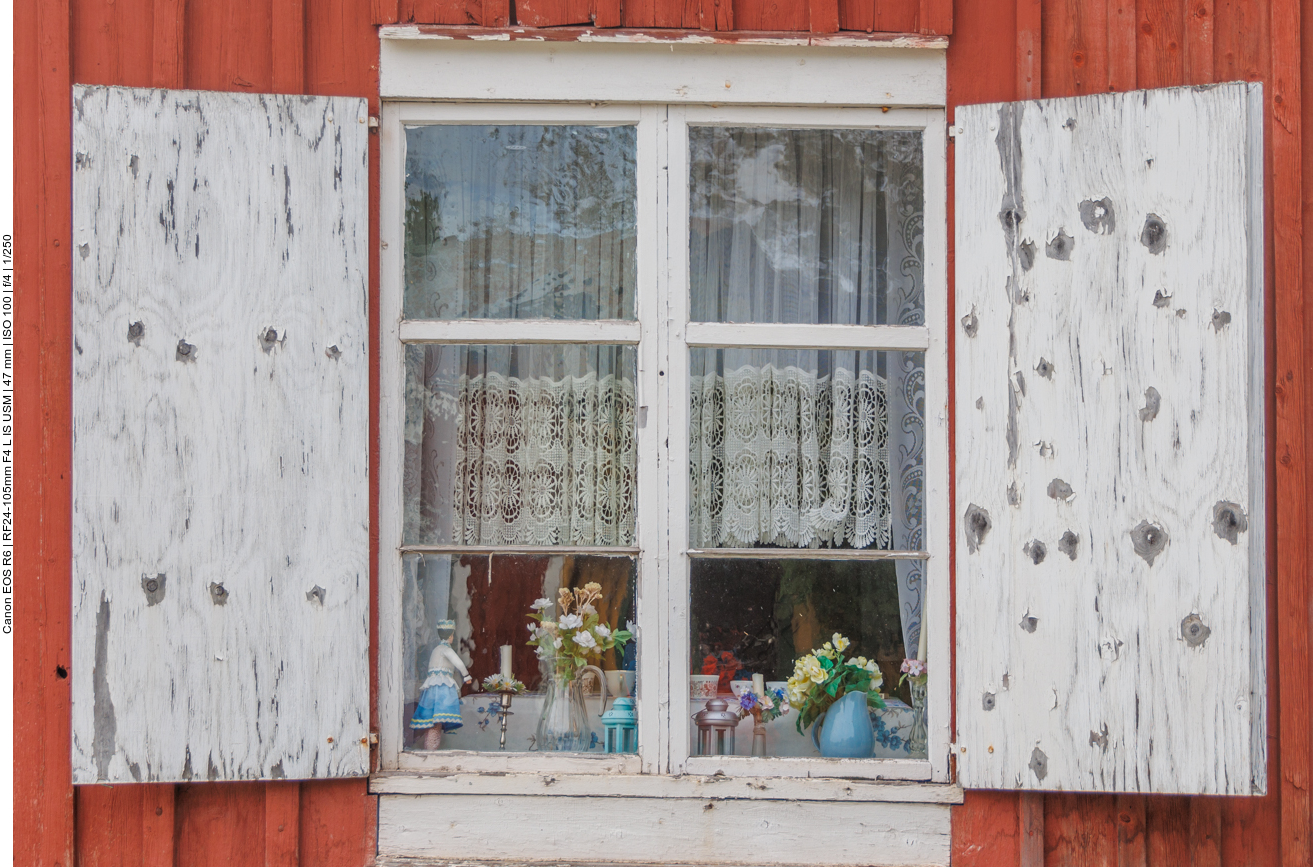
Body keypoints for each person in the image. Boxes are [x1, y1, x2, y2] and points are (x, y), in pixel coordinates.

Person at [410, 619, 471, 750]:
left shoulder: (436, 650)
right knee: (437, 717)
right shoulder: (445, 650)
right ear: (450, 636)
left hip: (432, 686)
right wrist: (466, 676)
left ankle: (431, 747)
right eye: (452, 635)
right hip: (442, 686)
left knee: (434, 718)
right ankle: (431, 748)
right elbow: (458, 663)